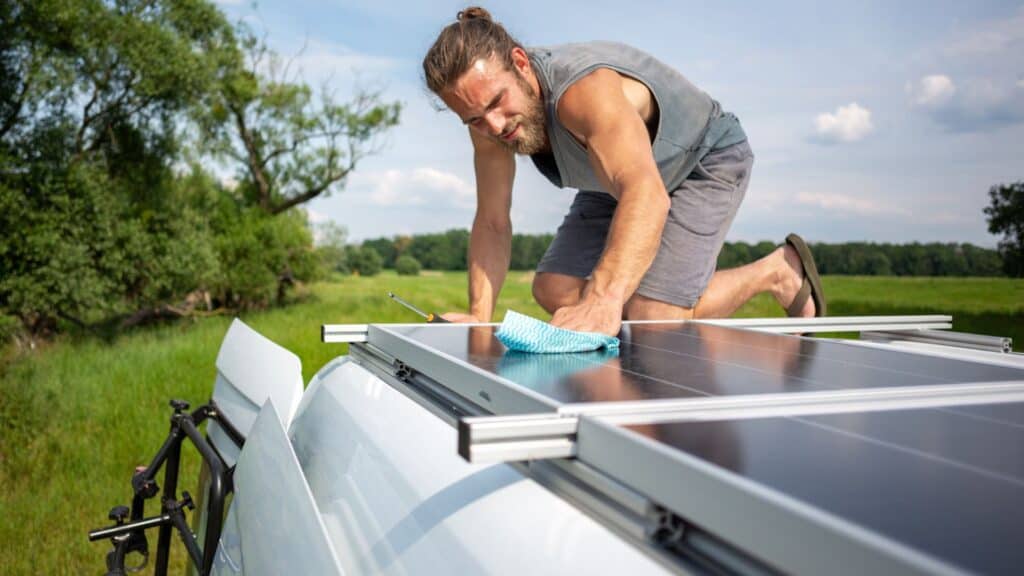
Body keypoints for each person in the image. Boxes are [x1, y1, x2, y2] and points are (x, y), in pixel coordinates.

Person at [422, 7, 826, 337]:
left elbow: (646, 193)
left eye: (497, 102)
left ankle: (776, 272)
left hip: (701, 158)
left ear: (520, 63)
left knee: (650, 314)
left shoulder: (582, 91)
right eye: (474, 119)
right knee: (553, 288)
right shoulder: (488, 125)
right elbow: (492, 221)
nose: (494, 126)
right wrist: (479, 315)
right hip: (612, 174)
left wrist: (604, 298)